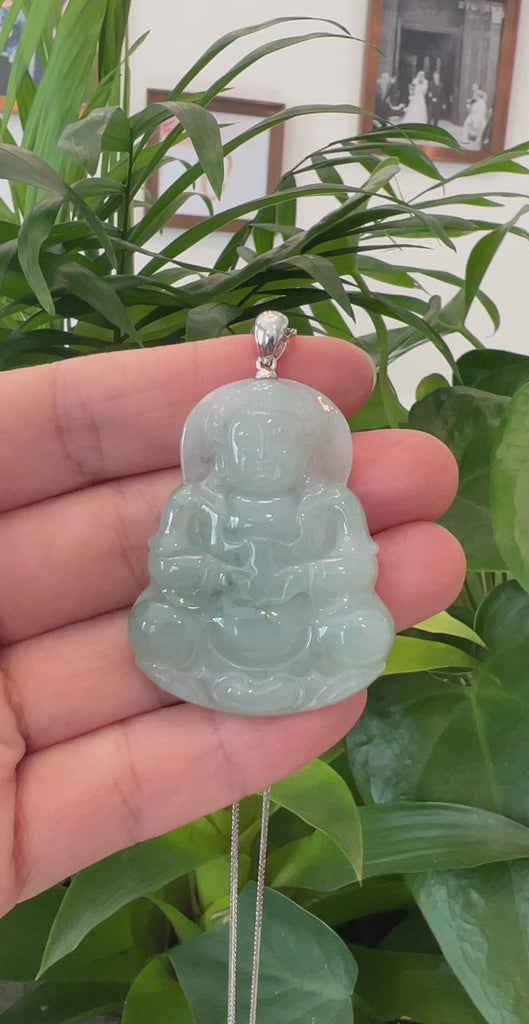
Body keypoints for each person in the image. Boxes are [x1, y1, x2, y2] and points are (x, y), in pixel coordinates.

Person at [0, 335, 464, 918]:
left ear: (308, 452)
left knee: (364, 631)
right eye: (249, 443)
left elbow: (355, 567)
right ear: (223, 450)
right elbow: (169, 565)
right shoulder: (199, 502)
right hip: (217, 624)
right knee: (157, 624)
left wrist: (302, 578)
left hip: (303, 628)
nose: (264, 456)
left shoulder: (328, 504)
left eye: (281, 444)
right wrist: (218, 571)